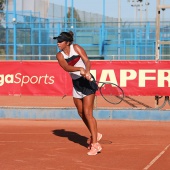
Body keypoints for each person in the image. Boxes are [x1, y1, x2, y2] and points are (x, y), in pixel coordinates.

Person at [54, 31, 102, 156]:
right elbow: (66, 67)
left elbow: (87, 61)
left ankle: (95, 144)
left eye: (61, 41)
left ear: (67, 42)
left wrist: (86, 71)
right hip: (76, 84)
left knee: (88, 113)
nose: (58, 43)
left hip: (87, 82)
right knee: (81, 113)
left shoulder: (76, 48)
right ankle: (95, 134)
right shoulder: (59, 55)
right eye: (58, 41)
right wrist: (79, 69)